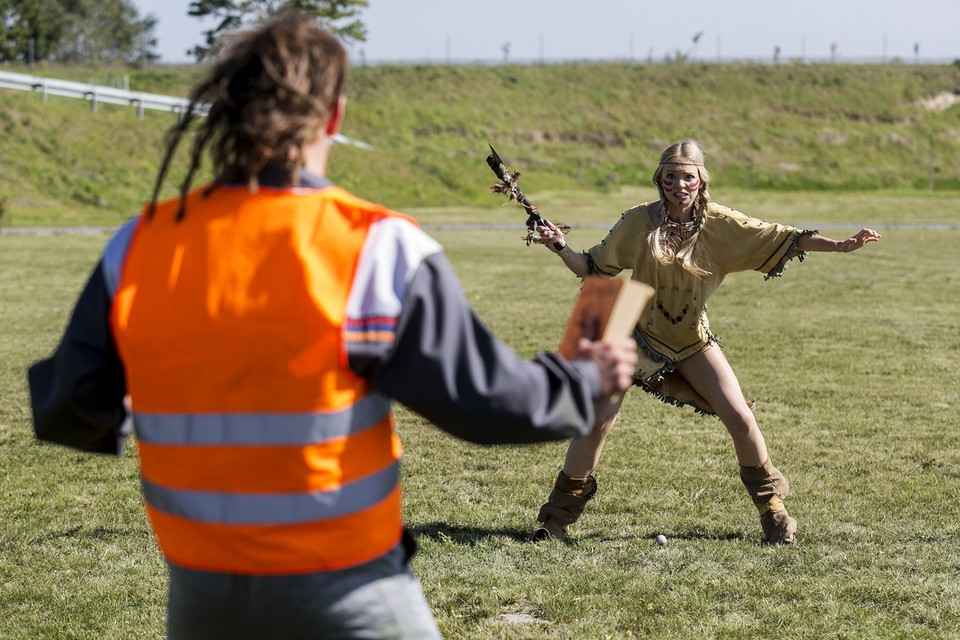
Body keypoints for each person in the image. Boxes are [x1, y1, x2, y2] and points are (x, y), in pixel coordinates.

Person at [26, 13, 638, 640]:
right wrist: (581, 378)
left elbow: (70, 409)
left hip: (201, 597)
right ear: (336, 116)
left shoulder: (138, 246)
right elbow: (488, 407)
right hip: (347, 591)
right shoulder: (374, 248)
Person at [531, 139, 881, 545]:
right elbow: (593, 267)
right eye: (671, 176)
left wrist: (840, 245)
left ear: (700, 181)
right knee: (596, 423)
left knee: (740, 418)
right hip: (633, 331)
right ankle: (555, 519)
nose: (680, 184)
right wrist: (558, 246)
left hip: (690, 336)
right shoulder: (637, 222)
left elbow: (785, 237)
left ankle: (773, 511)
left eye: (688, 177)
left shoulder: (720, 224)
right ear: (659, 179)